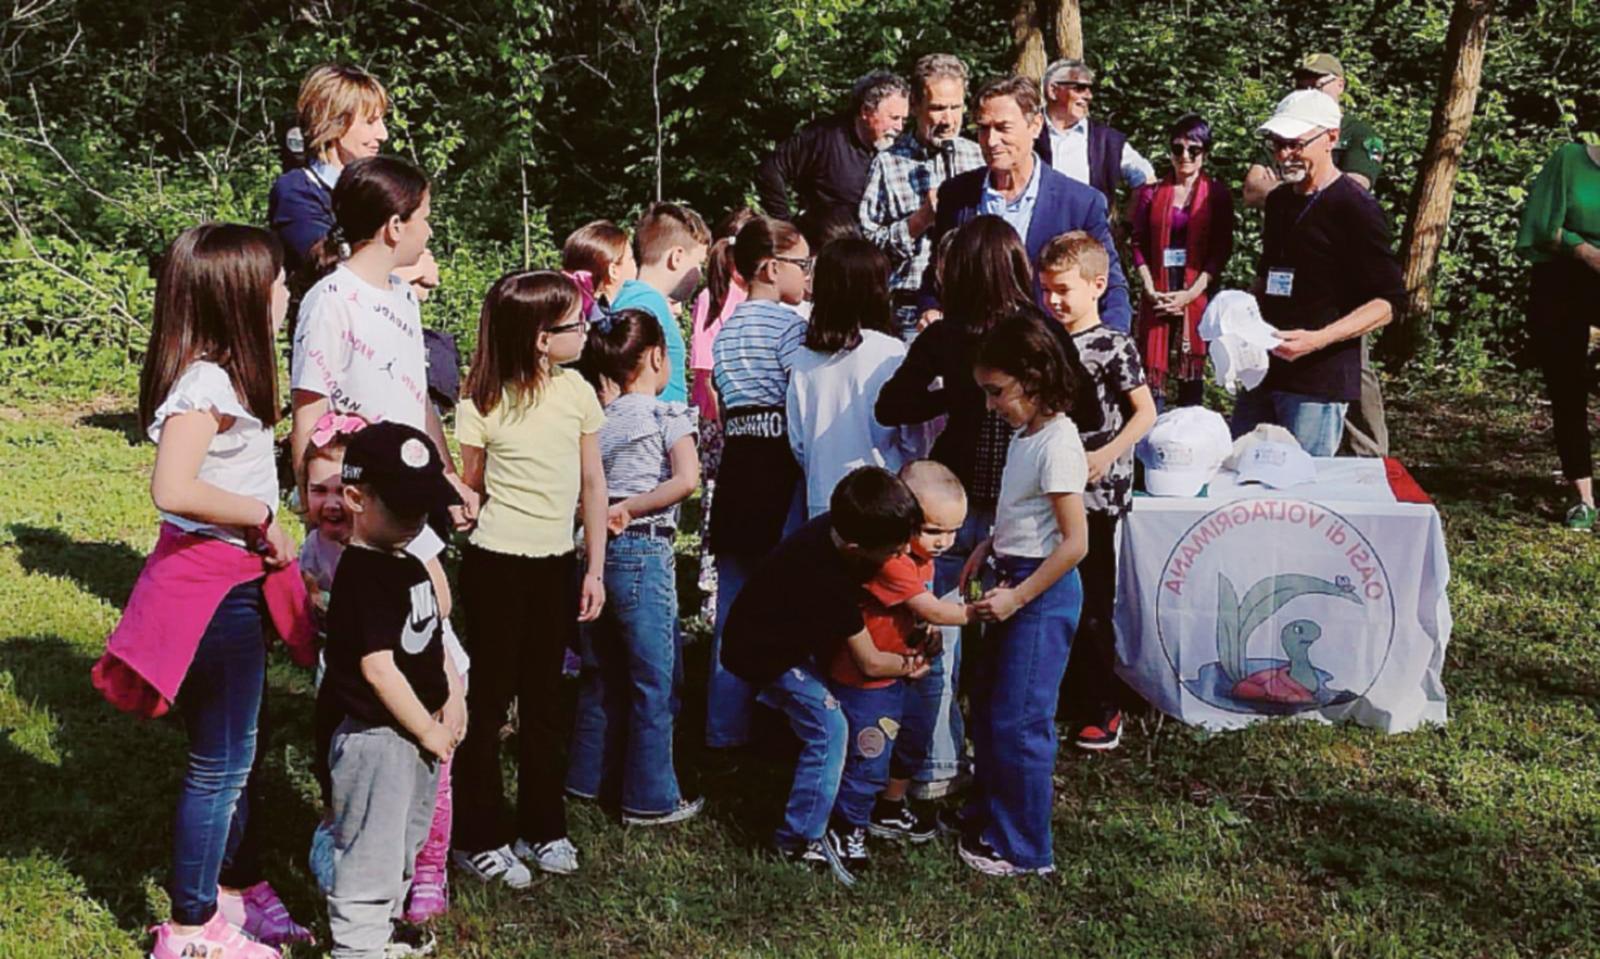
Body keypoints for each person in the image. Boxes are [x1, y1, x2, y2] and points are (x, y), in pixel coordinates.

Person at [95, 224, 314, 959]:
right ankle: (190, 930)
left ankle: (234, 889)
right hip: (212, 593)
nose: (287, 292)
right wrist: (259, 515)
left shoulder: (226, 378)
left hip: (236, 583)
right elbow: (172, 486)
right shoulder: (205, 384)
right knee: (219, 762)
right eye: (279, 281)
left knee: (236, 752)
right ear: (240, 295)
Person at [452, 271, 607, 881]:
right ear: (542, 338)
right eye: (576, 325)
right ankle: (479, 832)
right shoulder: (481, 400)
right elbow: (472, 483)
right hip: (495, 566)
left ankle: (544, 827)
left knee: (545, 702)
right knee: (488, 704)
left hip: (555, 566)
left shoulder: (578, 393)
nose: (586, 331)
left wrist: (592, 566)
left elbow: (593, 483)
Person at [297, 412, 479, 919]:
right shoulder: (367, 576)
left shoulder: (404, 559)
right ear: (358, 500)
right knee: (369, 860)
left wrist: (452, 694)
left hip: (413, 733)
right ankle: (360, 944)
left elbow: (430, 631)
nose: (415, 521)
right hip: (378, 737)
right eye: (402, 509)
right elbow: (379, 668)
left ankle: (389, 928)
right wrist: (427, 729)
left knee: (402, 839)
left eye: (422, 509)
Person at [720, 466, 927, 885]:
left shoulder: (842, 534)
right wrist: (912, 663)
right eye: (893, 550)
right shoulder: (824, 576)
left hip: (796, 639)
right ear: (854, 547)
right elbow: (870, 662)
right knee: (829, 726)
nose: (903, 553)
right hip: (764, 655)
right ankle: (799, 840)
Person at [958, 309, 1090, 877]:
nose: (991, 405)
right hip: (1013, 575)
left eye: (998, 392)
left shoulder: (1058, 443)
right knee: (989, 709)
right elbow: (1024, 513)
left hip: (1043, 593)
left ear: (1034, 378)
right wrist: (987, 547)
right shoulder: (1024, 435)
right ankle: (988, 815)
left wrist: (1019, 596)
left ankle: (1025, 848)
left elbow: (1075, 542)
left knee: (1021, 719)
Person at [565, 308, 704, 824]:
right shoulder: (667, 414)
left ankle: (586, 778)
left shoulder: (599, 420)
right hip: (644, 548)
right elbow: (686, 479)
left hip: (597, 555)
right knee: (655, 678)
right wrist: (631, 507)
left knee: (601, 670)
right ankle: (650, 797)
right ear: (654, 358)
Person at [288, 155, 477, 526]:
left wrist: (447, 478)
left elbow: (417, 398)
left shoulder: (403, 295)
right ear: (394, 226)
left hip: (408, 488)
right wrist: (317, 510)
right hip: (356, 505)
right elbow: (308, 411)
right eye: (423, 218)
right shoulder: (330, 300)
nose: (429, 232)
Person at [1232, 91, 1404, 456]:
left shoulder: (1355, 208)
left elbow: (1387, 303)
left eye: (1295, 144)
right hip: (1263, 371)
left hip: (1317, 383)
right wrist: (1239, 319)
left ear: (1331, 138)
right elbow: (1268, 273)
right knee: (1242, 481)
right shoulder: (1279, 202)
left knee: (1300, 496)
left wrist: (1318, 339)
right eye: (1277, 144)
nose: (1282, 155)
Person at [1037, 232, 1156, 751]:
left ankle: (1101, 705)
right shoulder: (1045, 338)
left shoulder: (1113, 343)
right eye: (1046, 290)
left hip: (1098, 498)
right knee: (1053, 596)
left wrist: (1106, 456)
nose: (1054, 301)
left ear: (1097, 285)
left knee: (1092, 604)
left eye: (1062, 289)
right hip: (1052, 492)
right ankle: (1061, 692)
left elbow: (1145, 411)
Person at [825, 460, 972, 867]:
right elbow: (933, 608)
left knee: (913, 737)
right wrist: (984, 610)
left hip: (906, 667)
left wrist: (927, 630)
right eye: (933, 530)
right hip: (867, 678)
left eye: (953, 531)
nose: (944, 541)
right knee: (868, 754)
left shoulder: (923, 557)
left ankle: (888, 807)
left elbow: (922, 613)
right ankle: (847, 826)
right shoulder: (893, 561)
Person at [704, 216, 811, 752]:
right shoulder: (791, 328)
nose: (809, 275)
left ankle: (723, 730)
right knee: (787, 608)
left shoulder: (724, 332)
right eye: (803, 264)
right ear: (772, 268)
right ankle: (783, 720)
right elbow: (801, 399)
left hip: (738, 474)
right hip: (778, 476)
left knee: (732, 609)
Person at [921, 74, 1132, 333]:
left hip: (1049, 356)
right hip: (973, 358)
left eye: (1003, 128)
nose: (991, 140)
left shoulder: (1079, 203)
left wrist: (1109, 349)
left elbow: (1110, 286)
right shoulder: (957, 196)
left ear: (1035, 126)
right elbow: (937, 277)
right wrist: (930, 309)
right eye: (983, 128)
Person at [787, 237, 932, 518]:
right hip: (884, 497)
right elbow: (913, 438)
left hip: (822, 496)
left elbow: (798, 442)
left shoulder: (804, 358)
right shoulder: (890, 352)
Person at [267, 64, 438, 300]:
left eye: (381, 121)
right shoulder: (298, 191)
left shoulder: (377, 188)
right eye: (370, 122)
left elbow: (420, 280)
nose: (383, 134)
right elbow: (326, 269)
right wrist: (411, 272)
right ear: (334, 123)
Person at [857, 53, 984, 339]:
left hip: (974, 304)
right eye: (938, 108)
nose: (948, 120)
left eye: (956, 107)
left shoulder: (978, 156)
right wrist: (920, 220)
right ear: (914, 105)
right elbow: (867, 248)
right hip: (910, 310)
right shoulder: (888, 163)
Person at [1516, 140, 1600, 530]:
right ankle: (1582, 496)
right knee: (1568, 389)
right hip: (1563, 283)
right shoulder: (1570, 160)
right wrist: (1582, 250)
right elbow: (1540, 224)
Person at [1129, 113, 1236, 408]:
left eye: (1194, 150)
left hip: (1195, 293)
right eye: (1177, 149)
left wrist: (1191, 294)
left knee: (1191, 381)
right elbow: (1138, 243)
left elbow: (1221, 249)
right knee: (1152, 383)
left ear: (1206, 152)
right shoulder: (1151, 193)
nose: (1185, 156)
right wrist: (1150, 289)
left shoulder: (1216, 194)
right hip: (1159, 291)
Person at [756, 70, 910, 224]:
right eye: (894, 118)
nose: (899, 127)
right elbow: (770, 170)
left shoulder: (902, 152)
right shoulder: (824, 137)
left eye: (904, 120)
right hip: (826, 242)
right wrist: (785, 228)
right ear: (866, 111)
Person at [610, 202, 711, 405]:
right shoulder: (646, 306)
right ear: (677, 257)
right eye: (698, 264)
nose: (699, 275)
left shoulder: (641, 300)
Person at [1033, 58, 1154, 209]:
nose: (1089, 96)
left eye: (1090, 89)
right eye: (1080, 88)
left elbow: (1145, 176)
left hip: (1088, 231)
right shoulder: (1027, 132)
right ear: (1053, 90)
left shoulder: (1106, 140)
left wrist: (1128, 223)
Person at [561, 219, 638, 310]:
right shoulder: (627, 319)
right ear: (613, 271)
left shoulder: (571, 317)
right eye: (631, 258)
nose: (636, 264)